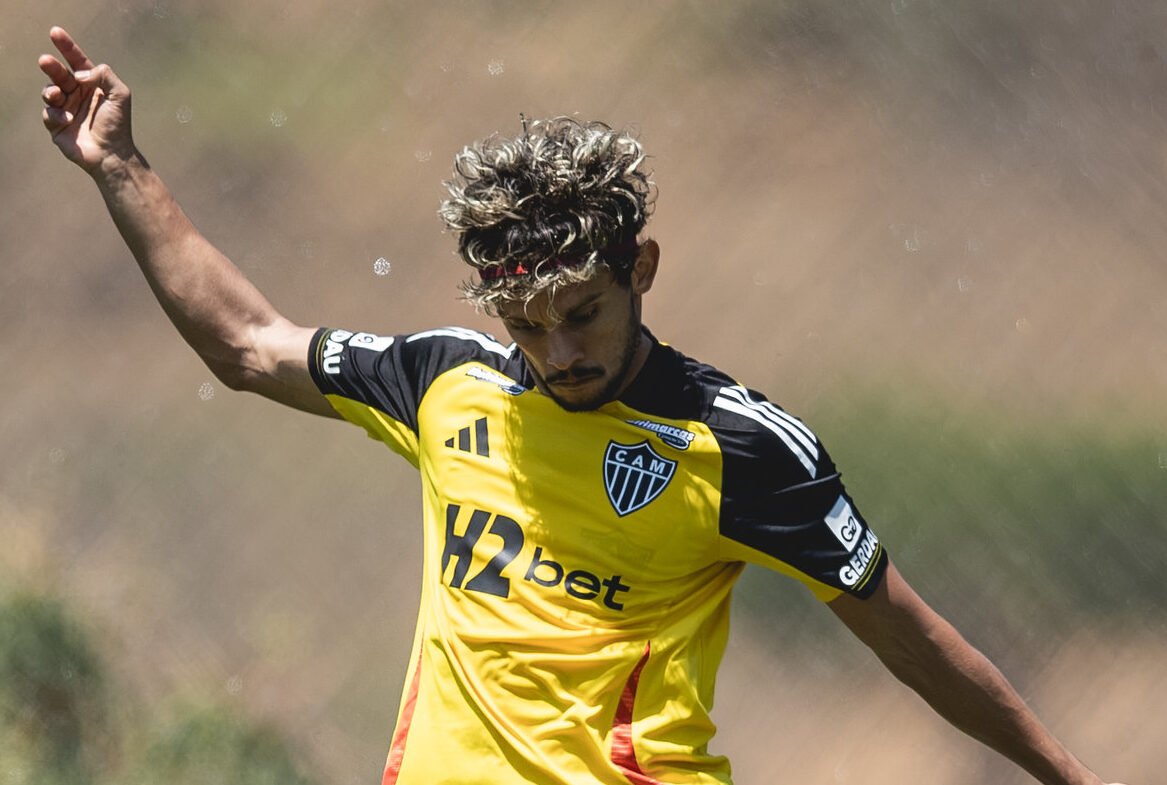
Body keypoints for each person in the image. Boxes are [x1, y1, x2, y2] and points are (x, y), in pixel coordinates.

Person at [39, 26, 1124, 785]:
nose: (558, 351)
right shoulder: (446, 380)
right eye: (528, 324)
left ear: (640, 268)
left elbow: (907, 634)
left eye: (584, 314)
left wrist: (1068, 775)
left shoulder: (737, 446)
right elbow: (246, 343)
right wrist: (119, 166)